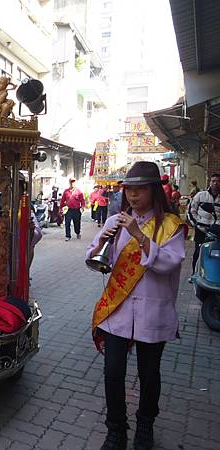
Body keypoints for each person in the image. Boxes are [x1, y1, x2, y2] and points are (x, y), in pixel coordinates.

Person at [87, 161, 185, 450]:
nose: (133, 196)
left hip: (153, 313)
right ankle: (116, 430)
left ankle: (145, 427)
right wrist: (101, 243)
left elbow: (168, 264)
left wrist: (140, 236)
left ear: (154, 190)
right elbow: (95, 260)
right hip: (117, 311)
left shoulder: (171, 226)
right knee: (113, 372)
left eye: (140, 189)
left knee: (149, 374)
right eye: (130, 190)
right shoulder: (114, 221)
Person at [188, 174, 220, 274]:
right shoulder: (200, 195)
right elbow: (191, 210)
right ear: (210, 182)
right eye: (213, 181)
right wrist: (196, 223)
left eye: (218, 181)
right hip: (201, 229)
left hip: (217, 231)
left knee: (215, 252)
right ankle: (195, 274)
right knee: (198, 251)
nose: (216, 183)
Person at [60, 177, 85, 241]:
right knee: (67, 223)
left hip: (76, 210)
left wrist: (82, 207)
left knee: (77, 223)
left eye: (73, 182)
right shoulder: (66, 191)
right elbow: (62, 200)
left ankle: (78, 232)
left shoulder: (79, 191)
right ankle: (68, 236)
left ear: (75, 183)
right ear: (69, 183)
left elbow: (82, 200)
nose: (72, 183)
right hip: (68, 210)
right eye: (71, 182)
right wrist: (60, 208)